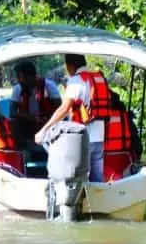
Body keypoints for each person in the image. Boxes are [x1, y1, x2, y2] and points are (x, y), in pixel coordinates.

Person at [35, 54, 111, 182]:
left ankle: (77, 200)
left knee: (77, 178)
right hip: (99, 137)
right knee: (97, 179)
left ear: (70, 66)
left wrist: (44, 130)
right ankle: (97, 200)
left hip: (82, 139)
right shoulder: (98, 78)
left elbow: (64, 108)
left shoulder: (76, 81)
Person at [9, 60, 61, 143]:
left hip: (47, 123)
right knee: (13, 122)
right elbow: (12, 112)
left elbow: (59, 109)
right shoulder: (17, 89)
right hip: (28, 124)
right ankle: (24, 150)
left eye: (20, 77)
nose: (18, 81)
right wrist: (34, 119)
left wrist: (47, 120)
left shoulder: (49, 86)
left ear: (30, 76)